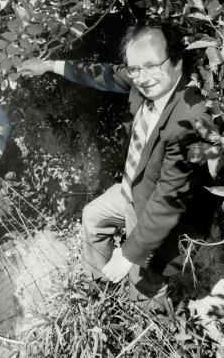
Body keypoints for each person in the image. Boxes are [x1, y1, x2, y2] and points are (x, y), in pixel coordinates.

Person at [20, 23, 220, 308]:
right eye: (135, 68)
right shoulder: (144, 79)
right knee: (93, 218)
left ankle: (151, 322)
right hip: (132, 188)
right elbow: (104, 74)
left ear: (176, 60)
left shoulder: (190, 116)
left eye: (151, 66)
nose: (142, 77)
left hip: (158, 210)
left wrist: (127, 254)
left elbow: (168, 199)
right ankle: (99, 293)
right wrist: (49, 65)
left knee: (143, 285)